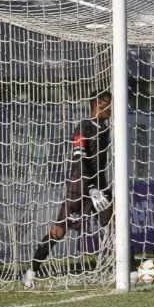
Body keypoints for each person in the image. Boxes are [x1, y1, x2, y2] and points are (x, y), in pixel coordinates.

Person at [22, 91, 115, 289]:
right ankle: (31, 271)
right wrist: (89, 187)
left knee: (116, 221)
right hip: (80, 185)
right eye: (109, 105)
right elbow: (78, 158)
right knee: (59, 231)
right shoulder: (83, 126)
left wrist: (98, 186)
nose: (112, 109)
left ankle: (130, 271)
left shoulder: (105, 128)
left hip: (100, 183)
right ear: (97, 105)